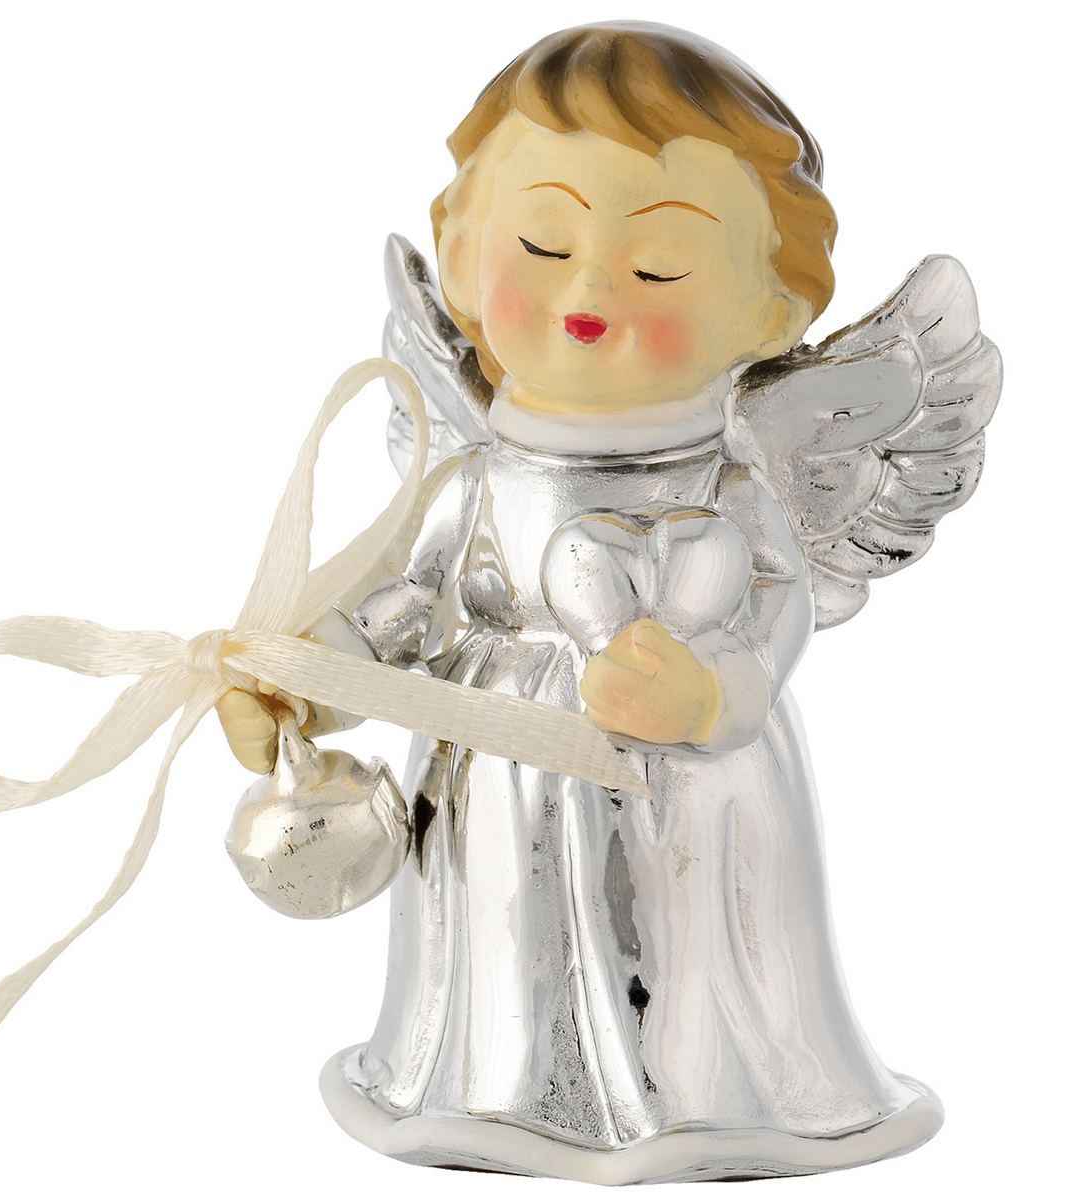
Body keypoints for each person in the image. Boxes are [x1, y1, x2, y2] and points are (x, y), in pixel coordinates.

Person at [216, 22, 984, 1183]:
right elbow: (403, 609)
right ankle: (489, 1083)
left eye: (659, 267)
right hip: (496, 766)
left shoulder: (735, 485)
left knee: (694, 937)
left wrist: (713, 695)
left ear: (772, 311)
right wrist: (302, 680)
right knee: (503, 923)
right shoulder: (479, 480)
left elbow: (773, 615)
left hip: (694, 781)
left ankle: (714, 1096)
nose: (587, 289)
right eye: (541, 242)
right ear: (462, 256)